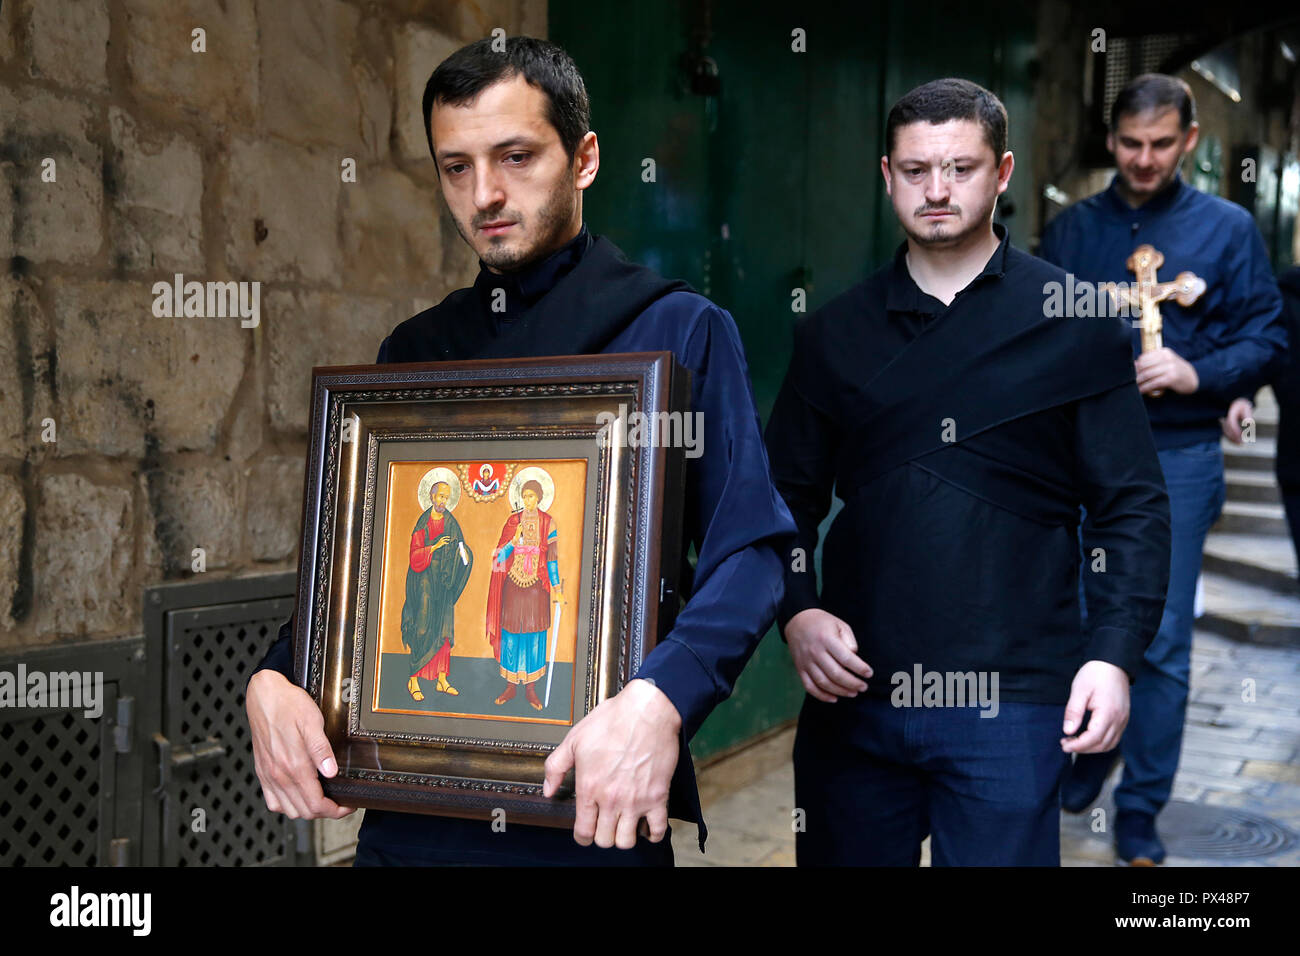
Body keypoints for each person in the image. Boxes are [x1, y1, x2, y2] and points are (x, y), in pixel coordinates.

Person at [244, 36, 795, 866]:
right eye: (455, 167)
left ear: (584, 159)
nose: (486, 194)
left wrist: (660, 699)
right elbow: (364, 569)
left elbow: (752, 551)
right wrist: (273, 679)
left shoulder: (678, 330)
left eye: (515, 156)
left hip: (587, 821)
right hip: (413, 817)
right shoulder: (416, 353)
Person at [764, 78, 1172, 866]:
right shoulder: (833, 334)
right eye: (916, 171)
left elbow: (1133, 507)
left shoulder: (1078, 322)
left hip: (1013, 698)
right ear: (887, 176)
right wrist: (798, 610)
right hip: (857, 695)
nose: (938, 190)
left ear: (1004, 171)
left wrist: (1113, 654)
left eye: (961, 167)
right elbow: (784, 496)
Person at [1040, 74, 1286, 864]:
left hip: (1176, 455)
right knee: (1075, 621)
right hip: (1075, 456)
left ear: (1186, 142)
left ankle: (1141, 812)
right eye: (1129, 144)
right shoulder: (1073, 231)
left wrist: (1201, 377)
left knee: (1162, 641)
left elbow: (1268, 337)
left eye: (1160, 145)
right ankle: (1083, 754)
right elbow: (1035, 329)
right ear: (1111, 139)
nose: (1143, 160)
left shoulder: (1227, 229)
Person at [487, 479, 561, 710]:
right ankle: (511, 687)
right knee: (511, 634)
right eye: (524, 495)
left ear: (539, 497)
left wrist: (557, 588)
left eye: (532, 495)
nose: (528, 500)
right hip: (514, 586)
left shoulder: (548, 523)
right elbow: (499, 558)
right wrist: (513, 538)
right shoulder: (513, 521)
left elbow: (552, 559)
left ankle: (531, 690)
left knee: (534, 636)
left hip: (536, 588)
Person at [402, 480, 473, 700]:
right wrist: (434, 547)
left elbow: (460, 545)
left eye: (446, 497)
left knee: (443, 631)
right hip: (424, 579)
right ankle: (413, 679)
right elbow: (414, 556)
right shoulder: (423, 521)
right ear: (432, 497)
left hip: (444, 581)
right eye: (440, 496)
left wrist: (465, 556)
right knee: (422, 627)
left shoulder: (451, 522)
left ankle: (442, 679)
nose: (443, 501)